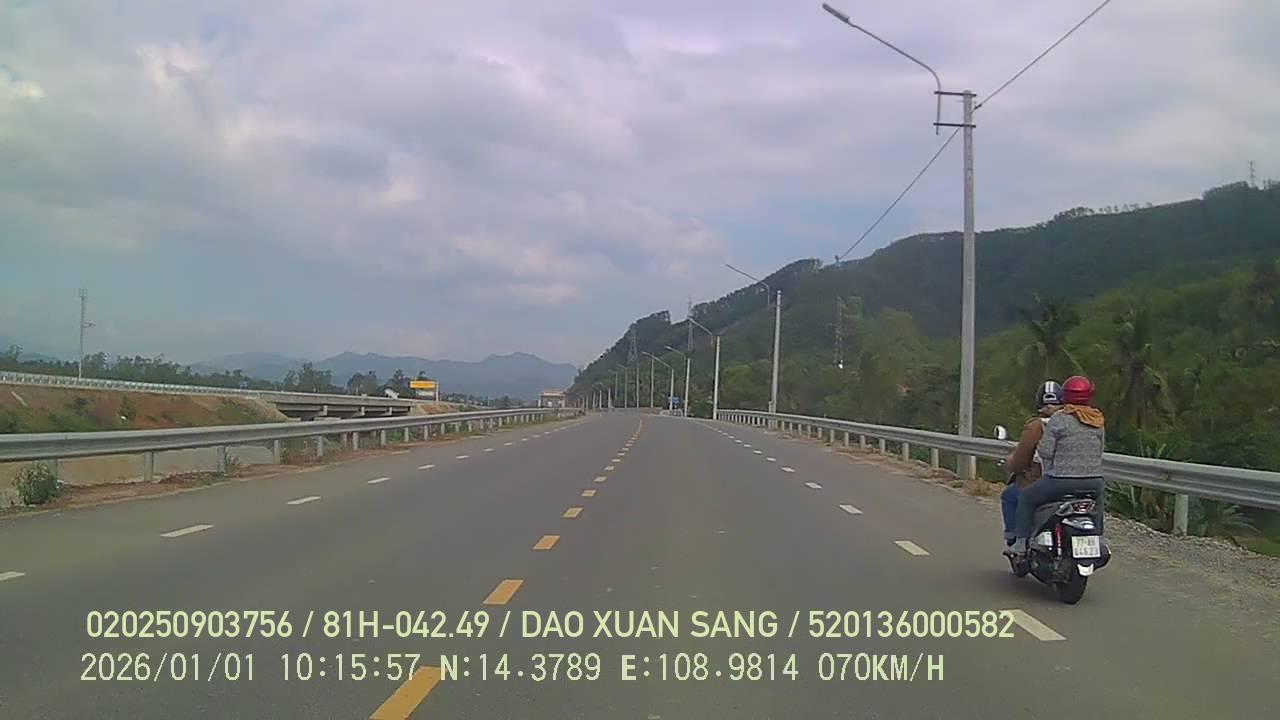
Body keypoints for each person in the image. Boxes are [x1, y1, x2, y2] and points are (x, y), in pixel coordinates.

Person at [1008, 375, 1106, 556]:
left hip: (1061, 481)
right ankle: (1099, 538)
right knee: (1097, 503)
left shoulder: (1060, 419)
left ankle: (1020, 543)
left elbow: (1045, 451)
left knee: (1026, 498)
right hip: (1093, 481)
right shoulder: (1097, 419)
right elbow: (1100, 449)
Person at [1000, 381, 1062, 550]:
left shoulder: (1036, 426)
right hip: (1077, 480)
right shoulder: (1074, 422)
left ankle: (1016, 540)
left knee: (1010, 496)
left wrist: (1012, 464)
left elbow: (1021, 459)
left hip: (1041, 481)